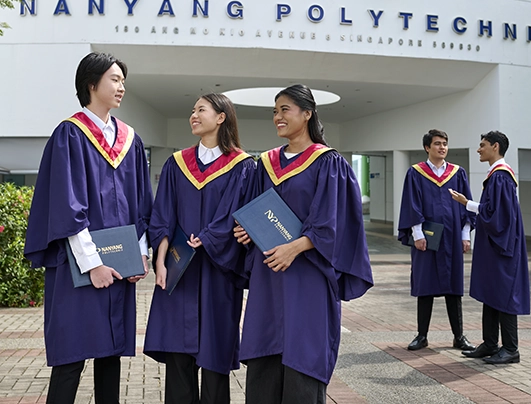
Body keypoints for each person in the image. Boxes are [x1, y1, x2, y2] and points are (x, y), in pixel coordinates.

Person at [24, 52, 153, 404]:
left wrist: (139, 255)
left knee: (110, 355)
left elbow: (141, 204)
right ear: (91, 84)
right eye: (114, 79)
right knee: (71, 356)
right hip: (77, 267)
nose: (121, 86)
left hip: (120, 267)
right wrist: (93, 264)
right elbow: (68, 207)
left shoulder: (130, 140)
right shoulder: (70, 135)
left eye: (123, 80)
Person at [234, 84, 374, 404]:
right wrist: (246, 231)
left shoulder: (328, 163)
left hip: (307, 275)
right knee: (266, 351)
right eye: (274, 111)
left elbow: (332, 222)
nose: (277, 117)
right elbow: (254, 210)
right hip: (269, 275)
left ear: (307, 114)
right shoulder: (265, 163)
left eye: (285, 110)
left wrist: (294, 248)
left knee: (303, 353)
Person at [143, 93, 256, 404]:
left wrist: (210, 237)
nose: (193, 115)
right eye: (192, 110)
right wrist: (161, 261)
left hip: (217, 272)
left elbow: (240, 215)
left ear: (221, 117)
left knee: (214, 356)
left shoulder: (243, 166)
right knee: (179, 356)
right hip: (180, 271)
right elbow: (162, 215)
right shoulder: (176, 164)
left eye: (201, 110)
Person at [449, 131, 530, 364]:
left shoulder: (501, 177)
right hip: (495, 247)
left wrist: (468, 204)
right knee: (492, 293)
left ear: (495, 147)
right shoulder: (496, 176)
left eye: (482, 145)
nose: (478, 149)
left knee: (504, 294)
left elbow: (500, 218)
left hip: (502, 248)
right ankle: (491, 344)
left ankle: (511, 348)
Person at [398, 129, 476, 352]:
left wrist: (464, 235)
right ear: (427, 148)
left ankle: (459, 337)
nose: (442, 147)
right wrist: (418, 234)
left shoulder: (457, 173)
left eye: (444, 144)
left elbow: (466, 205)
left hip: (451, 238)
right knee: (425, 286)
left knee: (454, 288)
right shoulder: (416, 173)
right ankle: (422, 336)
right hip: (428, 239)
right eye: (437, 144)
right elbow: (411, 205)